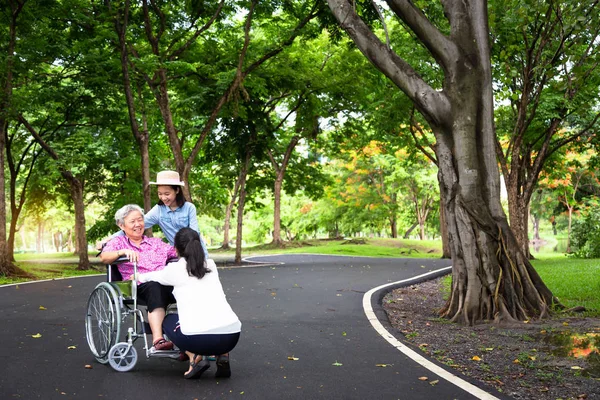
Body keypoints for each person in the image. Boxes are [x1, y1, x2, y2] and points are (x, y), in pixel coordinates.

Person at [137, 227, 241, 379]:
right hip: (232, 336)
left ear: (176, 249)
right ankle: (222, 355)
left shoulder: (175, 269)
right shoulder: (210, 265)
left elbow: (152, 277)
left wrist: (137, 276)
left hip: (199, 339)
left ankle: (194, 359)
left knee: (167, 320)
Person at [100, 204, 178, 351]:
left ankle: (192, 342)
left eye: (140, 219)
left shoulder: (156, 242)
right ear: (121, 225)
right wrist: (122, 252)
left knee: (187, 286)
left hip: (165, 281)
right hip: (140, 285)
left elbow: (177, 253)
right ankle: (158, 340)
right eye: (132, 221)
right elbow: (104, 257)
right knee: (155, 285)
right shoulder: (118, 243)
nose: (138, 224)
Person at [101, 170, 209, 258]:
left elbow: (194, 233)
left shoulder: (189, 208)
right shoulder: (158, 210)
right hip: (177, 255)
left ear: (177, 190)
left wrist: (195, 256)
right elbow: (137, 225)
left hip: (197, 252)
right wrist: (109, 239)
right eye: (160, 194)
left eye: (167, 194)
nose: (163, 197)